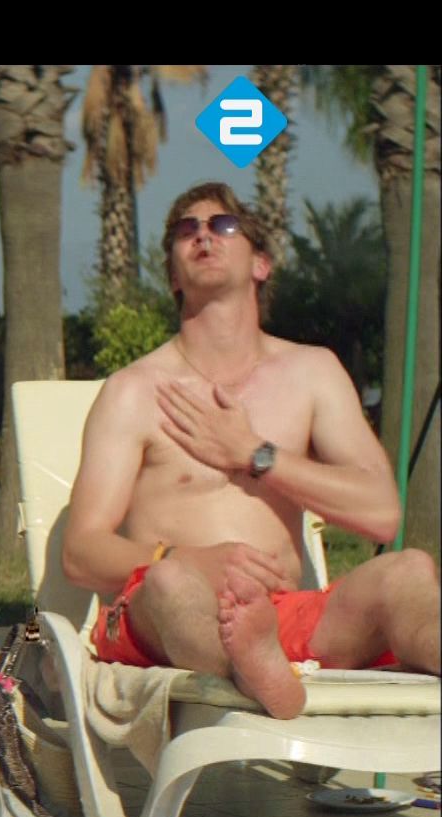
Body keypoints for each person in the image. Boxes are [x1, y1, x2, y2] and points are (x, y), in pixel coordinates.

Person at [63, 181, 439, 718]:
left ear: (261, 263)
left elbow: (381, 513)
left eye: (223, 225)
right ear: (173, 276)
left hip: (279, 617)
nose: (203, 235)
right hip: (162, 616)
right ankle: (250, 669)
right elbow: (81, 552)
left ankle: (261, 664)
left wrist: (257, 455)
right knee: (171, 585)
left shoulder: (312, 373)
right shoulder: (135, 392)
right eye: (186, 230)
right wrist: (181, 557)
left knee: (409, 572)